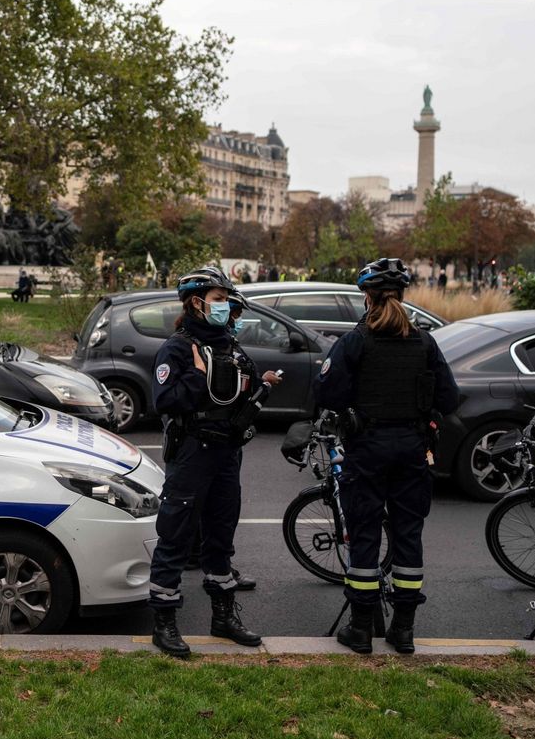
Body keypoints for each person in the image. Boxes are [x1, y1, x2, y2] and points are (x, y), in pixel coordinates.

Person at [315, 258, 459, 655]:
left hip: (367, 450)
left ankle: (360, 631)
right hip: (413, 450)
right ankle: (404, 631)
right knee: (408, 537)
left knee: (364, 535)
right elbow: (449, 398)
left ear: (367, 298)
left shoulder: (356, 341)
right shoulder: (425, 342)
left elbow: (325, 393)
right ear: (402, 297)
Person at [147, 267, 283, 657]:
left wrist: (263, 388)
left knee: (221, 538)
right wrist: (197, 378)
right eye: (220, 298)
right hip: (192, 452)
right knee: (175, 535)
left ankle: (223, 617)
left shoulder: (230, 346)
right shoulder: (176, 347)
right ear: (197, 301)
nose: (225, 305)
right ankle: (164, 622)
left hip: (227, 454)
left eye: (226, 299)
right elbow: (164, 401)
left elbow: (245, 392)